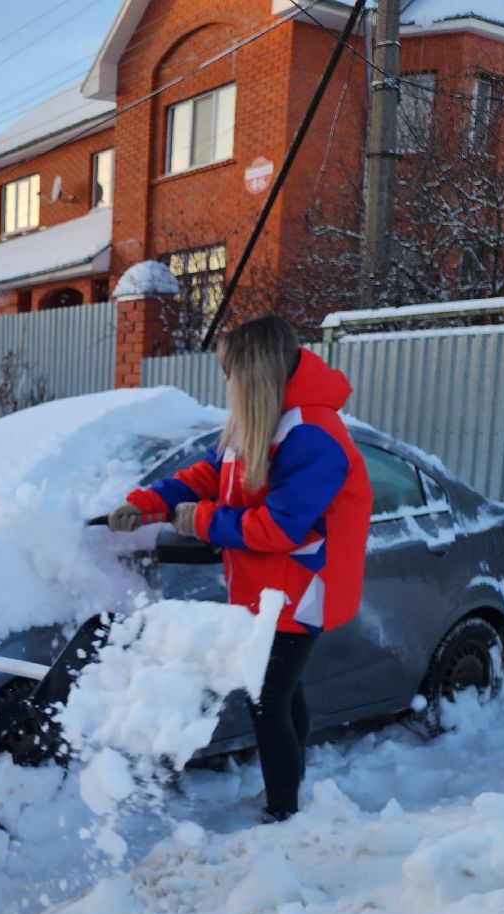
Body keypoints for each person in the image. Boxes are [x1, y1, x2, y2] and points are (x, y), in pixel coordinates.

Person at [107, 315, 372, 822]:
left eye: (230, 372)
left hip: (302, 591)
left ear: (253, 374)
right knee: (283, 695)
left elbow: (280, 527)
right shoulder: (265, 420)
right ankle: (289, 793)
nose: (226, 381)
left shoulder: (313, 435)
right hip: (270, 589)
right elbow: (209, 475)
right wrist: (147, 503)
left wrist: (201, 521)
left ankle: (283, 812)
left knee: (267, 701)